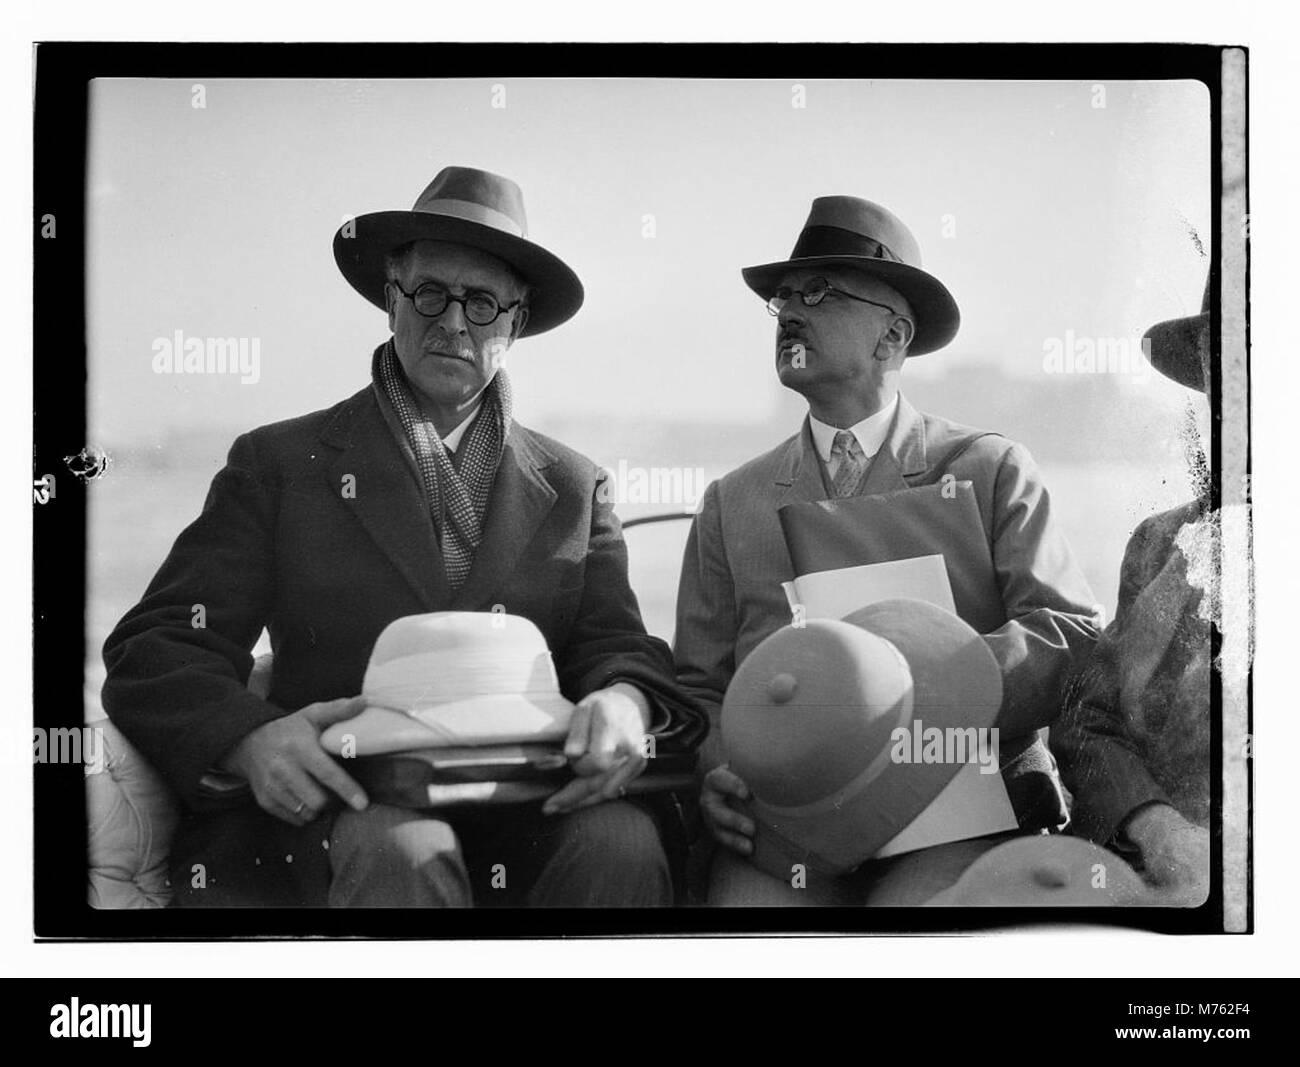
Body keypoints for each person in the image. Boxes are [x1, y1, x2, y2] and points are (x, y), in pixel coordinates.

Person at [102, 166, 706, 907]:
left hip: (526, 807)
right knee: (403, 851)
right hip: (329, 813)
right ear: (391, 301)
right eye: (430, 294)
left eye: (483, 302)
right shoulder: (281, 463)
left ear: (515, 323)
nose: (453, 322)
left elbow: (615, 647)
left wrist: (626, 701)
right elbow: (159, 644)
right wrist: (248, 738)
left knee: (622, 843)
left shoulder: (576, 488)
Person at [673, 195, 1099, 901]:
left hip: (954, 813)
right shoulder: (732, 501)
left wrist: (929, 688)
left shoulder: (989, 469)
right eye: (782, 299)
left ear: (892, 336)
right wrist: (719, 765)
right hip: (786, 829)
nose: (789, 314)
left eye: (817, 292)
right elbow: (698, 689)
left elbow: (1074, 636)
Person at [1050, 276, 1216, 906]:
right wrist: (1158, 828)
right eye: (1224, 375)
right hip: (1167, 880)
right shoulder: (1159, 543)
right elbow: (1086, 722)